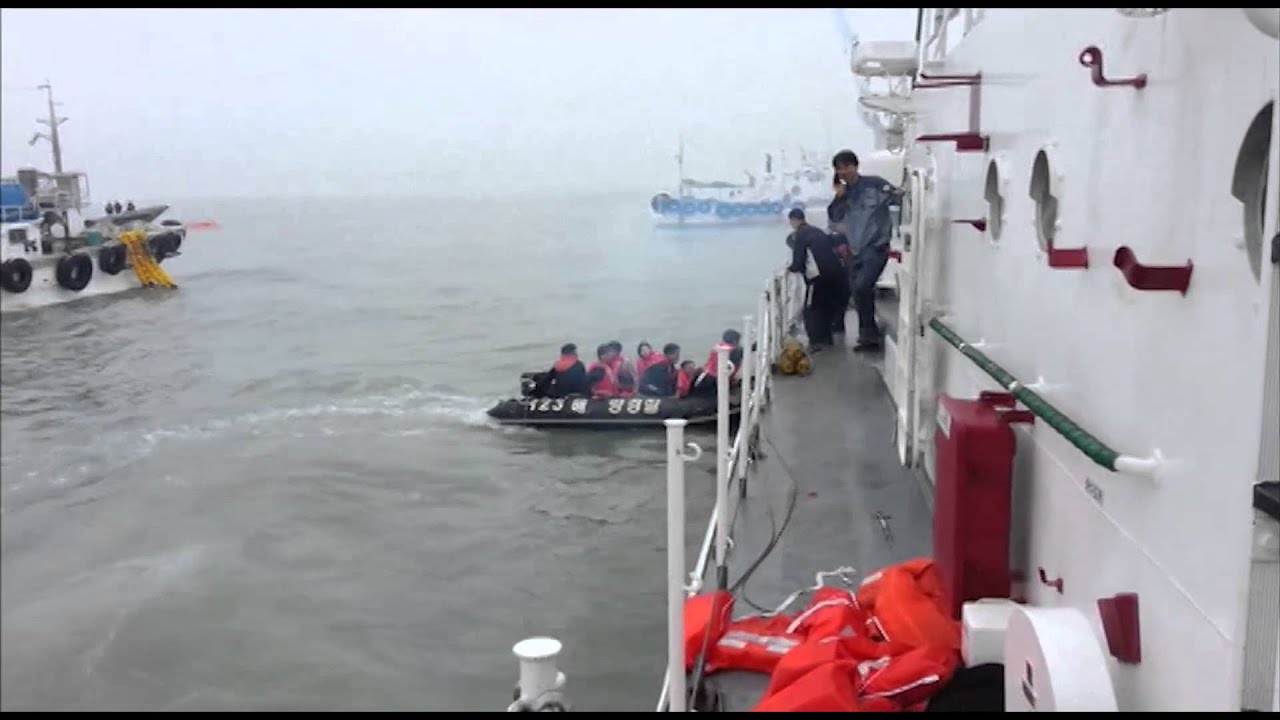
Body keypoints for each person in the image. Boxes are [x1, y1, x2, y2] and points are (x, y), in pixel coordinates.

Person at [828, 149, 903, 351]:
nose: (843, 171)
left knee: (862, 286)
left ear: (855, 166)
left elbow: (899, 198)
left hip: (876, 246)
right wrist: (840, 197)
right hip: (855, 251)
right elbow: (834, 217)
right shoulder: (843, 196)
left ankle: (869, 332)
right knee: (858, 291)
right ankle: (867, 335)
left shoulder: (875, 185)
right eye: (839, 168)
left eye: (846, 166)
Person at [786, 207, 845, 350]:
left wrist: (790, 269)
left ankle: (816, 342)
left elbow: (798, 262)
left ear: (794, 221)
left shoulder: (800, 235)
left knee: (811, 309)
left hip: (818, 277)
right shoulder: (817, 231)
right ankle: (827, 338)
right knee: (826, 306)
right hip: (836, 274)